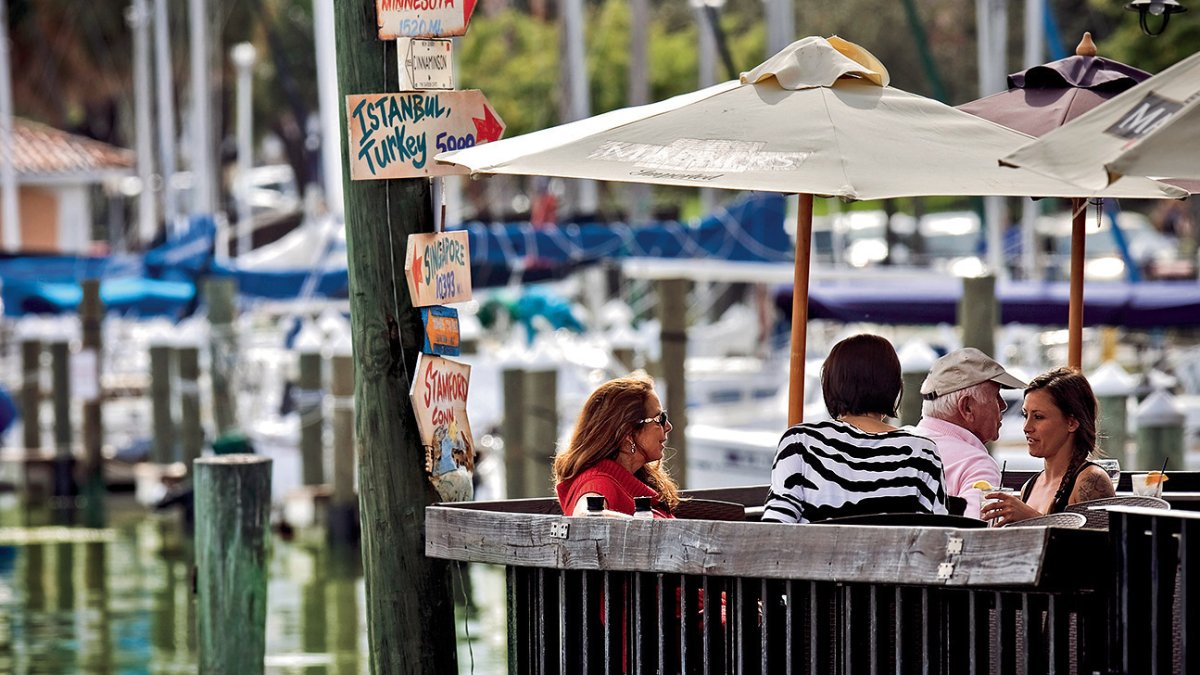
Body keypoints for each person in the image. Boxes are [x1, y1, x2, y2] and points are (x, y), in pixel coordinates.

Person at [762, 334, 948, 524]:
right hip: (894, 554)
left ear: (832, 384)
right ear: (893, 387)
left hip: (816, 553)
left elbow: (777, 524)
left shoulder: (800, 441)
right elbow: (936, 536)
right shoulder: (923, 452)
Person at [982, 367, 1115, 526]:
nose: (1026, 427)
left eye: (1038, 417)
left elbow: (1099, 548)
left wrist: (1031, 519)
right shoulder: (1030, 486)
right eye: (1025, 415)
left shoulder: (1091, 480)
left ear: (1071, 422)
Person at [910, 347, 1027, 519]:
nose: (1003, 405)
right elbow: (973, 537)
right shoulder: (976, 465)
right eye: (996, 396)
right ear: (967, 408)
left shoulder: (898, 445)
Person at [554, 372, 681, 518]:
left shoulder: (628, 479)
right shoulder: (599, 481)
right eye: (660, 419)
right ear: (627, 433)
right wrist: (647, 527)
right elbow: (584, 517)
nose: (668, 426)